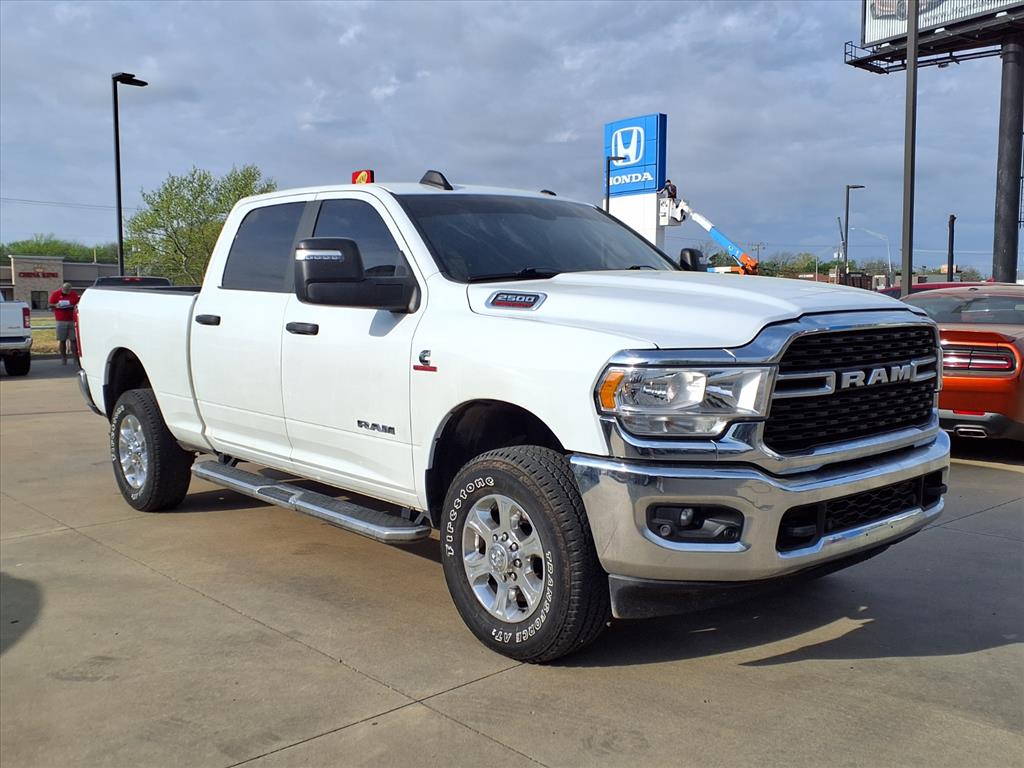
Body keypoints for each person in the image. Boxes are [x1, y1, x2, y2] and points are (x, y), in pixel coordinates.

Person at [48, 282, 80, 366]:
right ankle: (63, 358)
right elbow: (50, 305)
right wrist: (56, 305)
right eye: (66, 290)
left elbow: (77, 304)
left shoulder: (74, 294)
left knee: (73, 340)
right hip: (61, 320)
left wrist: (74, 306)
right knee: (62, 340)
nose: (67, 292)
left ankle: (75, 359)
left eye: (69, 290)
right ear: (62, 288)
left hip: (72, 320)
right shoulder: (56, 294)